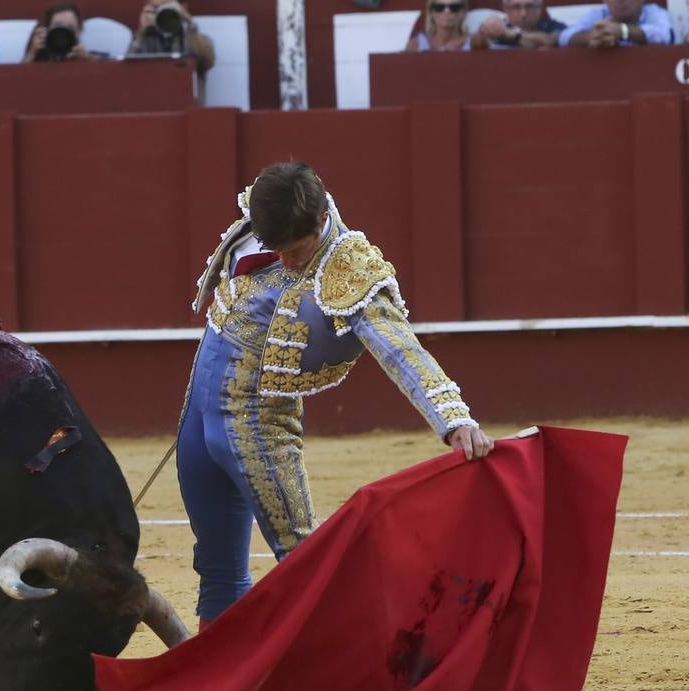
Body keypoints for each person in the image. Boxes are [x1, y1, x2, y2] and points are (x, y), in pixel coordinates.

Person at [181, 161, 494, 628]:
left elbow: (399, 348)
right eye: (276, 248)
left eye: (296, 250)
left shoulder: (350, 269)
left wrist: (454, 418)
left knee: (307, 566)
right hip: (195, 419)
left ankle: (356, 676)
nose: (285, 259)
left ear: (320, 220)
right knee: (217, 569)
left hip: (256, 427)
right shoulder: (265, 213)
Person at [128, 0, 215, 96]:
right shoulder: (146, 38)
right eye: (159, 8)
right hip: (155, 98)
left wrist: (189, 22)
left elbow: (207, 61)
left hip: (188, 102)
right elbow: (128, 72)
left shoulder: (192, 37)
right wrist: (141, 31)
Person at [560, 0, 673, 47]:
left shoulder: (654, 13)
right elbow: (564, 36)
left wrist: (624, 32)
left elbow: (665, 35)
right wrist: (592, 36)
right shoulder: (598, 14)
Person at [22, 2, 108, 63]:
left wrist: (87, 58)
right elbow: (17, 77)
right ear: (47, 30)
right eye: (58, 26)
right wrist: (32, 53)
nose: (63, 33)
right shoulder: (39, 59)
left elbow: (111, 69)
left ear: (79, 30)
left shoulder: (89, 57)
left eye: (70, 28)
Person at [471, 0, 566, 49]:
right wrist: (484, 30)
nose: (523, 13)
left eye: (529, 6)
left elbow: (550, 40)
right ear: (505, 9)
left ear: (539, 7)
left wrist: (513, 35)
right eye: (516, 7)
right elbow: (476, 44)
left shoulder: (554, 26)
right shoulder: (498, 28)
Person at [406, 0, 472, 51]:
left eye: (454, 7)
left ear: (464, 12)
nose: (447, 11)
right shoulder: (417, 43)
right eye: (439, 7)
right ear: (431, 12)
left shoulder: (474, 42)